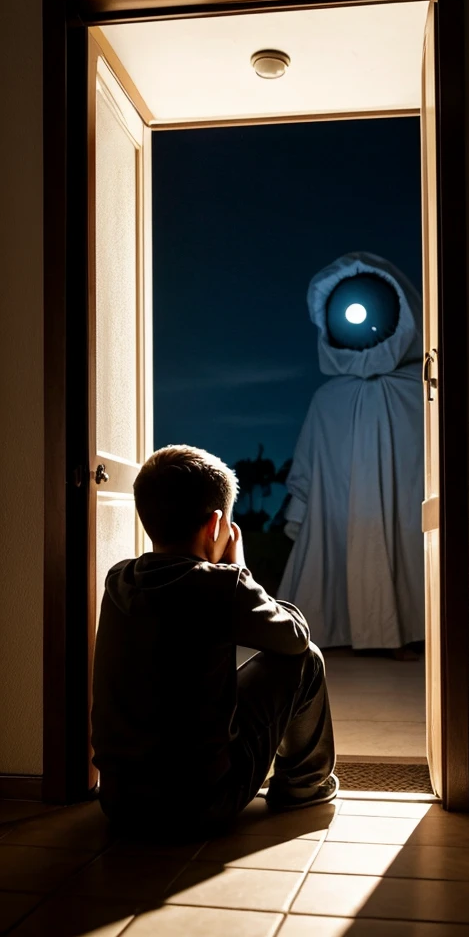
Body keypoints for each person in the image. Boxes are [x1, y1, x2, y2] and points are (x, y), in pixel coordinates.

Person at [90, 444, 337, 840]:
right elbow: (294, 638)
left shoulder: (119, 578)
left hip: (120, 802)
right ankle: (303, 787)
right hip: (197, 806)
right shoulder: (222, 585)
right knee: (307, 659)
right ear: (216, 525)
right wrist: (240, 571)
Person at [277, 252, 425, 658]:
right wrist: (301, 509)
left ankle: (407, 630)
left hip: (407, 511)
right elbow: (309, 463)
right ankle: (346, 628)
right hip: (340, 514)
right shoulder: (328, 400)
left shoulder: (421, 391)